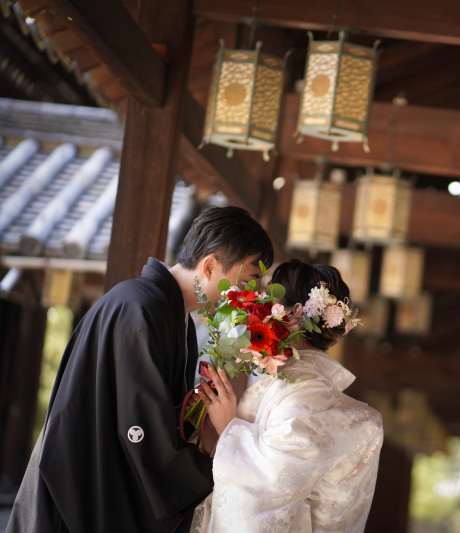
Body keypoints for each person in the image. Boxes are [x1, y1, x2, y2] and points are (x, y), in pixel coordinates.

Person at [7, 206, 274, 533]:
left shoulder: (171, 317)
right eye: (248, 279)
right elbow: (141, 429)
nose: (253, 295)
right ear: (210, 265)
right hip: (80, 492)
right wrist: (205, 458)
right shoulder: (140, 309)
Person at [190, 259, 384, 533]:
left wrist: (228, 427)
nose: (261, 306)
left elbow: (272, 480)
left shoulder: (309, 394)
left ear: (294, 312)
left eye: (269, 297)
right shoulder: (293, 385)